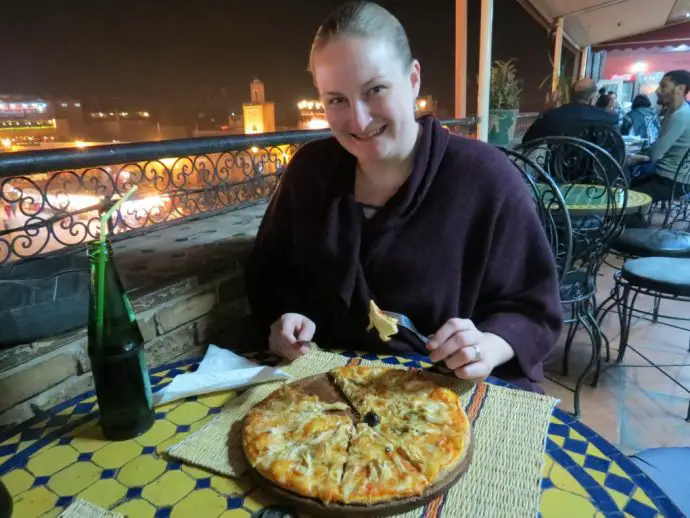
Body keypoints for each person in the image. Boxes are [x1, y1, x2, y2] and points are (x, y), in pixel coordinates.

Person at [245, 1, 563, 392]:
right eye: (337, 100)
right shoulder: (308, 172)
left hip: (446, 398)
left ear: (413, 79)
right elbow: (269, 272)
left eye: (375, 90)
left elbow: (534, 309)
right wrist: (285, 317)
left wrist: (487, 346)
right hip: (323, 397)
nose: (358, 121)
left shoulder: (486, 179)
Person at [630, 70, 690, 202]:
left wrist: (633, 157)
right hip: (670, 176)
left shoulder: (680, 116)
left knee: (628, 198)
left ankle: (635, 222)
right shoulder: (674, 111)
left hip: (671, 181)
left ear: (680, 89)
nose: (657, 91)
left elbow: (656, 154)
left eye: (663, 86)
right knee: (628, 186)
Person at [522, 78, 619, 142]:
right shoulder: (610, 118)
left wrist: (546, 111)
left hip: (554, 172)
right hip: (595, 172)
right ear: (592, 98)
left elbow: (527, 141)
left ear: (570, 96)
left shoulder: (552, 116)